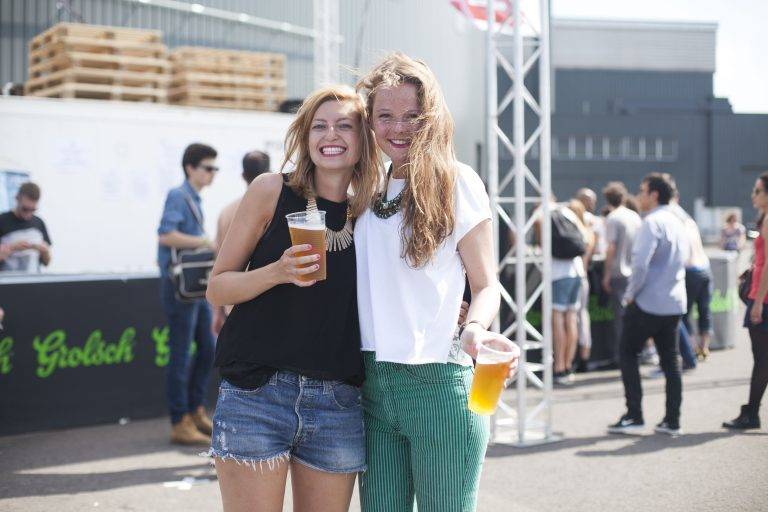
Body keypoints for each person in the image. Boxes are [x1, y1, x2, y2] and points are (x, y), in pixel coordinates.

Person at [355, 53, 520, 512]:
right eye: (385, 116)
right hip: (371, 384)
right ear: (369, 121)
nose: (398, 128)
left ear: (432, 118)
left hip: (439, 383)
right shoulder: (366, 190)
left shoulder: (456, 181)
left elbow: (487, 284)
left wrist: (475, 328)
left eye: (412, 116)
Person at [205, 85, 380, 512]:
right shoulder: (271, 190)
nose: (330, 134)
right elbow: (219, 286)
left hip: (337, 401)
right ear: (305, 137)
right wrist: (277, 272)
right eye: (319, 125)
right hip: (256, 392)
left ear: (363, 140)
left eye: (344, 125)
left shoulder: (373, 213)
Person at [608, 173, 689, 437]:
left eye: (643, 191)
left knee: (627, 353)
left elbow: (640, 264)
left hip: (647, 302)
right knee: (671, 362)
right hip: (673, 302)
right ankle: (672, 420)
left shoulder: (652, 222)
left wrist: (630, 295)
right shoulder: (679, 221)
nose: (639, 196)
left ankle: (634, 415)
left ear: (654, 194)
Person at [157, 143, 218, 446]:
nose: (212, 174)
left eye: (214, 168)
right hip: (179, 287)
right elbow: (165, 235)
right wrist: (204, 242)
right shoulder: (178, 196)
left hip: (195, 289)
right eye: (208, 168)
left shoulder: (191, 198)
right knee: (181, 354)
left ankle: (194, 411)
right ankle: (179, 420)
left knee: (208, 347)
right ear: (190, 168)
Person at [722, 173, 768, 430]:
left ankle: (751, 413)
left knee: (762, 359)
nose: (754, 195)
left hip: (763, 298)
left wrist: (759, 302)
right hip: (760, 294)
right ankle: (751, 411)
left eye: (758, 190)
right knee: (762, 359)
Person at [212, 150, 271, 335]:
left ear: (243, 175)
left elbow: (218, 264)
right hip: (267, 303)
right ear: (270, 172)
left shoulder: (227, 211)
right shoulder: (278, 208)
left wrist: (217, 312)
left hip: (233, 303)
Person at [601, 182, 641, 366]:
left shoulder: (613, 219)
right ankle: (636, 352)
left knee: (621, 319)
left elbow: (611, 247)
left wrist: (606, 274)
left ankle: (621, 357)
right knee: (634, 317)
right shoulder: (634, 216)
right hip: (635, 272)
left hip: (619, 273)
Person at [669, 191, 712, 361]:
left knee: (684, 314)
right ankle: (703, 348)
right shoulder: (688, 219)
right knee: (704, 311)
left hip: (691, 270)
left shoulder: (671, 217)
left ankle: (692, 348)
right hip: (705, 268)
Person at [568, 198, 596, 370]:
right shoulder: (587, 233)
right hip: (583, 277)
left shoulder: (578, 234)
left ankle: (578, 357)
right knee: (581, 317)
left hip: (577, 276)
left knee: (574, 317)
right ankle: (584, 354)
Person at [0, 182, 52, 272]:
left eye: (33, 210)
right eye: (25, 209)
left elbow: (46, 263)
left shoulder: (39, 223)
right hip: (7, 283)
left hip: (33, 281)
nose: (28, 215)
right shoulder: (2, 221)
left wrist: (44, 251)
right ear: (17, 199)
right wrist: (12, 248)